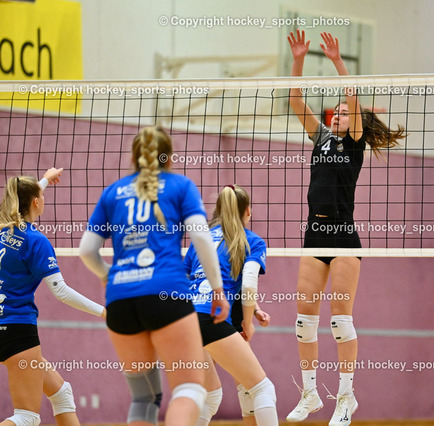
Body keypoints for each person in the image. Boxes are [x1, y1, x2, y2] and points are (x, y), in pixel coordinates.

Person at [286, 30, 405, 426]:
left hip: (343, 235)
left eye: (344, 111)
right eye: (334, 111)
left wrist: (338, 61)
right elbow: (295, 100)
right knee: (304, 320)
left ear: (355, 120)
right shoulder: (320, 138)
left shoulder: (354, 142)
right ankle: (309, 394)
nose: (337, 114)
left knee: (339, 321)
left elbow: (352, 98)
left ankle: (346, 397)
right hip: (313, 234)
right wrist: (299, 59)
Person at [78, 126, 229, 426]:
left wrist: (109, 276)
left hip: (120, 301)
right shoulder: (180, 186)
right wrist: (217, 289)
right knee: (189, 388)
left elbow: (86, 251)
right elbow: (201, 238)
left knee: (144, 398)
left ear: (133, 157)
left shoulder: (112, 193)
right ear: (169, 157)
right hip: (166, 294)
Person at [0, 168, 106, 426]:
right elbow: (61, 291)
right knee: (26, 417)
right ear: (36, 202)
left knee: (61, 392)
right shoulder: (36, 241)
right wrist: (103, 311)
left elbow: (21, 197)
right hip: (16, 330)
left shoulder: (2, 230)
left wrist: (45, 180)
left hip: (6, 328)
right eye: (42, 196)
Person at [183, 185, 278, 426]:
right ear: (248, 211)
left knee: (210, 396)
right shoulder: (253, 241)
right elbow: (248, 284)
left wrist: (254, 309)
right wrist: (247, 323)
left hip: (184, 320)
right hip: (210, 317)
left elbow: (188, 281)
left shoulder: (201, 239)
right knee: (262, 389)